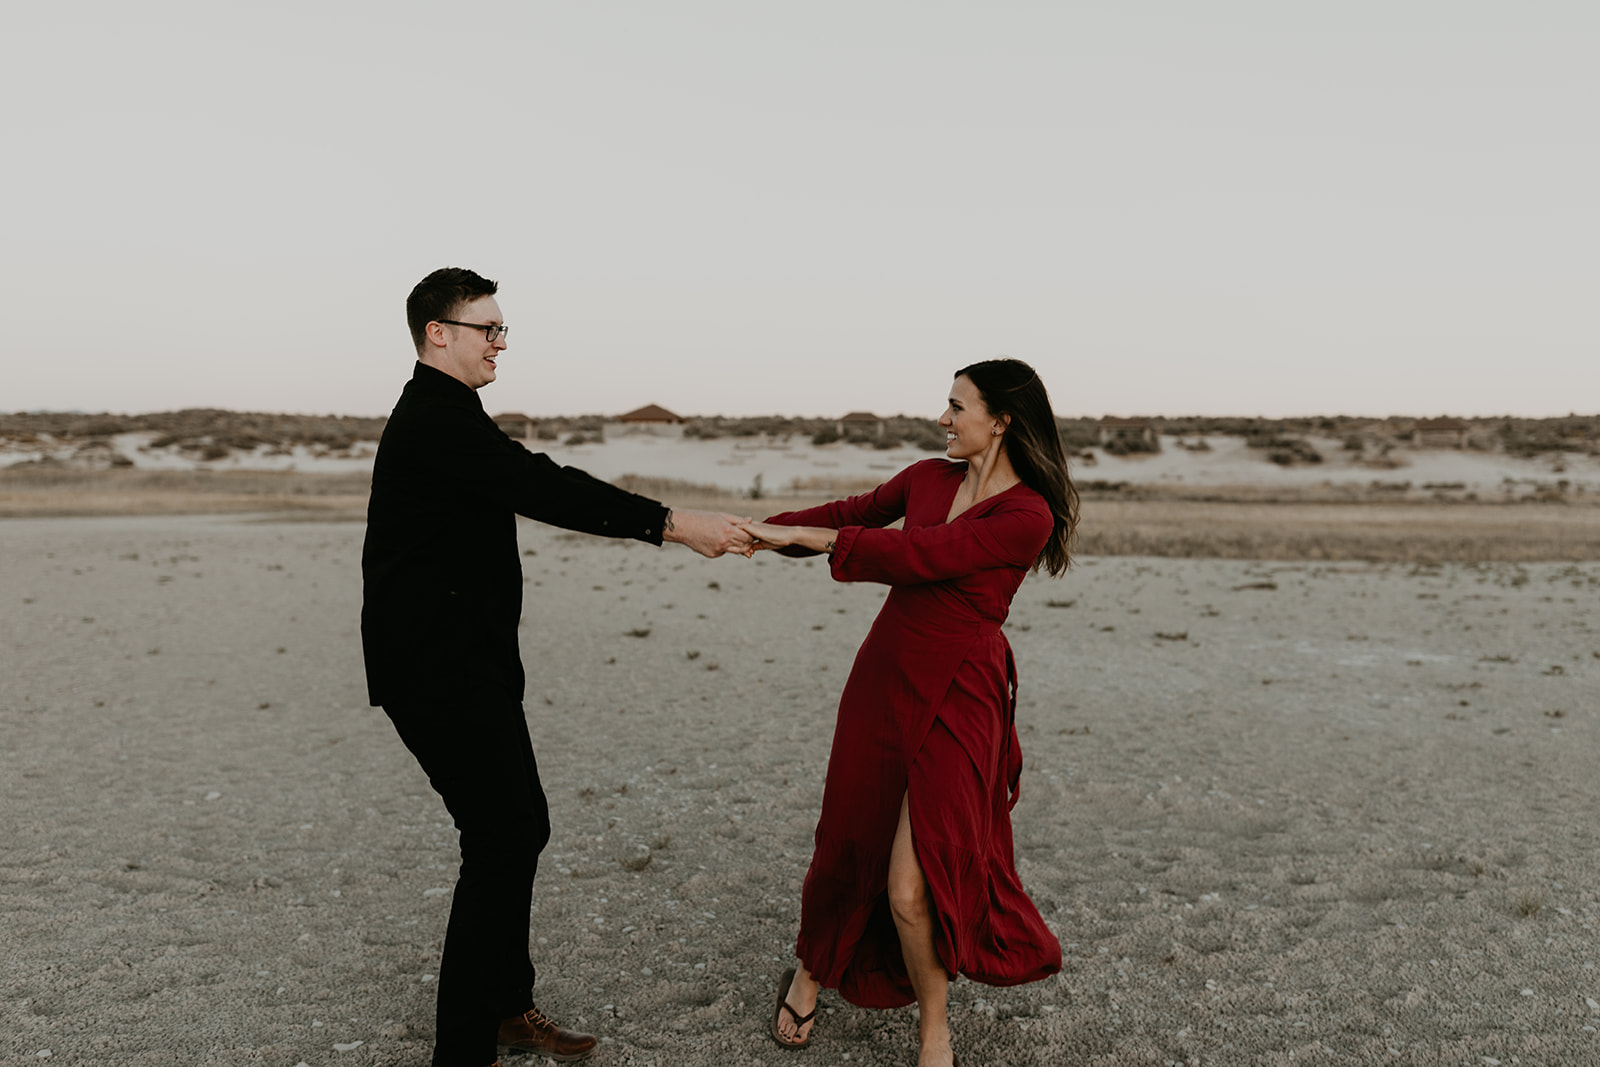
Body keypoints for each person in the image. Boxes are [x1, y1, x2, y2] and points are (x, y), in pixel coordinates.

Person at [361, 267, 751, 1067]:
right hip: (435, 669)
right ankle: (465, 1047)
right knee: (502, 835)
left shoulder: (451, 413)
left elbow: (521, 482)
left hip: (469, 662)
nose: (501, 342)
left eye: (504, 330)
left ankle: (505, 1006)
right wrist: (675, 523)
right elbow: (543, 485)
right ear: (439, 333)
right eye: (487, 329)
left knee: (516, 826)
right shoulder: (434, 420)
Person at [742, 358, 1077, 1067]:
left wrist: (822, 542)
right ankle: (811, 967)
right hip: (886, 672)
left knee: (909, 882)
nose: (943, 419)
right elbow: (851, 515)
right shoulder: (929, 477)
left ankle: (935, 1026)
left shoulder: (1028, 514)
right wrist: (760, 528)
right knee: (848, 833)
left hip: (963, 686)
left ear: (1003, 418)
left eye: (957, 406)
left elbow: (925, 554)